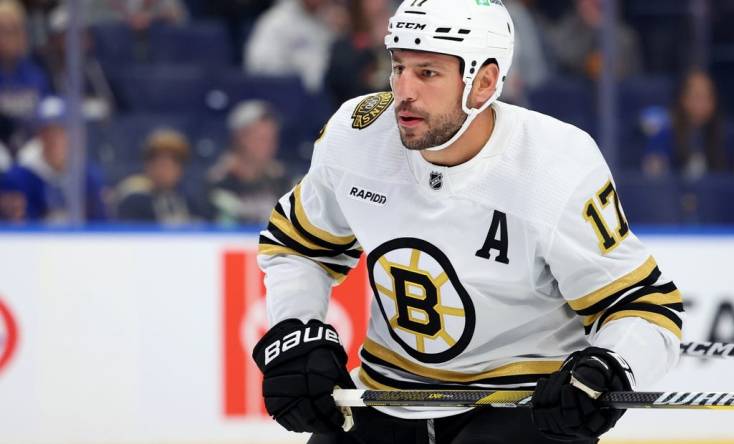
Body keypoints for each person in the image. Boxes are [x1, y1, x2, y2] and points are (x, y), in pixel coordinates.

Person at [251, 1, 683, 443]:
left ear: (484, 82)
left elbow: (644, 307)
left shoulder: (556, 164)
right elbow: (296, 246)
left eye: (428, 72)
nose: (403, 91)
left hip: (522, 405)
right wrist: (296, 326)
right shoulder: (357, 133)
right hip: (387, 395)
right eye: (398, 67)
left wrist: (611, 368)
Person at [4, 96, 106, 222]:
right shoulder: (18, 178)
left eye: (61, 131)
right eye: (47, 131)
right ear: (39, 135)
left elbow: (101, 226)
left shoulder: (87, 176)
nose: (54, 139)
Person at [207, 100, 295, 225]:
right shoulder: (215, 181)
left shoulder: (282, 180)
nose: (269, 145)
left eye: (272, 138)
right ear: (239, 138)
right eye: (260, 138)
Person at [642, 69, 727, 179]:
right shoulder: (663, 137)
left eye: (708, 97)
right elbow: (653, 180)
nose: (703, 103)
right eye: (697, 96)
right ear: (684, 99)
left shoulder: (723, 137)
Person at [244, 0, 339, 92]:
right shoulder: (276, 20)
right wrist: (298, 66)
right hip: (284, 93)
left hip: (321, 92)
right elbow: (258, 64)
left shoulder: (328, 21)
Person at [114, 127, 198, 224]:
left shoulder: (190, 202)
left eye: (171, 165)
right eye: (160, 164)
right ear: (148, 167)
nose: (164, 171)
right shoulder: (134, 202)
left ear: (180, 170)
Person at [544, 0, 641, 81]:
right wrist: (592, 25)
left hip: (619, 97)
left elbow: (628, 71)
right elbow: (565, 58)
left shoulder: (625, 35)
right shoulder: (565, 29)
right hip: (570, 95)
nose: (597, 2)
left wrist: (600, 27)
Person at [323, 0, 392, 107]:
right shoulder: (344, 46)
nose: (380, 4)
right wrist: (373, 45)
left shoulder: (394, 42)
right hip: (353, 110)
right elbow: (344, 87)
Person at [0, 0, 50, 144]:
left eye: (12, 31)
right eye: (1, 30)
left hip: (33, 147)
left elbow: (48, 114)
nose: (5, 39)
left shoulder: (38, 72)